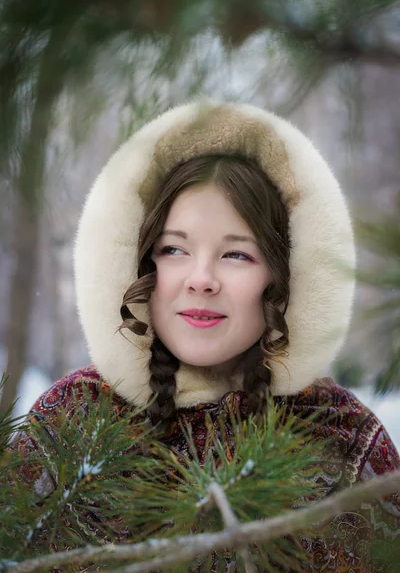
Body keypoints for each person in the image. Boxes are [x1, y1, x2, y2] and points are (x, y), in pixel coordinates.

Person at [9, 100, 400, 571]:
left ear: (284, 276)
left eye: (236, 255)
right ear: (139, 265)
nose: (201, 279)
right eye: (173, 248)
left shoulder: (343, 439)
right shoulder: (72, 421)